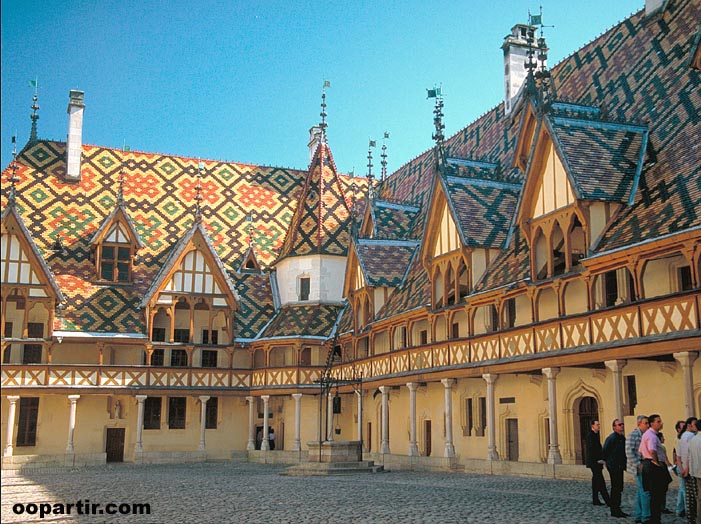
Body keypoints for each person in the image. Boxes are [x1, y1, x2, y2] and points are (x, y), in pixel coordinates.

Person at [639, 414, 669, 524]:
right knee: (656, 494)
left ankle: (654, 518)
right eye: (658, 421)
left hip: (648, 464)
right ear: (652, 424)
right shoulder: (651, 435)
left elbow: (641, 450)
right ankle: (655, 519)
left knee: (654, 494)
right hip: (653, 466)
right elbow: (652, 450)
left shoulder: (648, 434)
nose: (661, 423)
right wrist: (657, 462)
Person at [603, 419, 629, 518]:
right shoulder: (611, 438)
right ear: (614, 427)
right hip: (614, 466)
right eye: (619, 424)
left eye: (622, 424)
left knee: (619, 488)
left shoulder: (622, 438)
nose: (622, 426)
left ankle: (617, 508)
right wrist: (609, 463)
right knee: (615, 488)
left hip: (620, 466)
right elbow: (605, 451)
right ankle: (614, 510)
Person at [627, 415, 651, 524]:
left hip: (644, 465)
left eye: (648, 423)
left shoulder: (646, 434)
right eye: (645, 423)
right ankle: (646, 516)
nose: (647, 425)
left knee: (640, 492)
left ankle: (638, 515)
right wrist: (638, 464)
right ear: (639, 424)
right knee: (645, 491)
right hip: (638, 466)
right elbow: (629, 451)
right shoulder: (633, 435)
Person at [586, 420, 611, 507]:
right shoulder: (590, 436)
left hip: (596, 462)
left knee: (595, 481)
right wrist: (598, 460)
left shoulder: (595, 435)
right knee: (600, 481)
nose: (599, 426)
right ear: (592, 426)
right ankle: (608, 501)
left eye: (599, 424)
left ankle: (595, 499)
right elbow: (592, 450)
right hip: (594, 462)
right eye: (597, 425)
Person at [680, 417, 699, 524]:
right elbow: (689, 454)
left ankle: (690, 517)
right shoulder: (691, 436)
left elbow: (680, 455)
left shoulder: (683, 436)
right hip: (691, 469)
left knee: (689, 495)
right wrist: (686, 469)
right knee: (695, 496)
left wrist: (682, 468)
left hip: (686, 468)